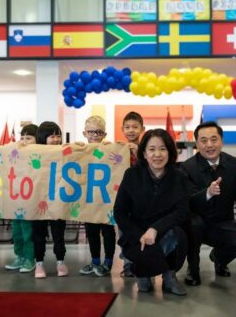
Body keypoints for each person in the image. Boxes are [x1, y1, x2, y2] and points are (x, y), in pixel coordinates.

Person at [114, 129, 189, 295]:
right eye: (152, 149)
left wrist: (155, 229)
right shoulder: (131, 174)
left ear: (170, 152)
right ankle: (144, 271)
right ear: (144, 153)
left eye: (162, 149)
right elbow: (119, 212)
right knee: (144, 280)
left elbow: (182, 211)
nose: (157, 154)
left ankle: (169, 276)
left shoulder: (179, 176)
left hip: (164, 232)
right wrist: (139, 234)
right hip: (137, 234)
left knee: (179, 234)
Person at [181, 121, 236, 287]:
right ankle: (193, 269)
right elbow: (187, 200)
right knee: (193, 226)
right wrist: (207, 193)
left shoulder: (235, 166)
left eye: (214, 139)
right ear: (196, 143)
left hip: (223, 221)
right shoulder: (187, 167)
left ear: (222, 141)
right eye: (203, 141)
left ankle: (219, 259)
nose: (209, 145)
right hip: (196, 221)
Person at [80, 116, 116, 277]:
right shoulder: (80, 150)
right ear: (84, 133)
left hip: (106, 199)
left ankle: (108, 262)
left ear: (104, 134)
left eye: (98, 132)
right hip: (88, 199)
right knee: (91, 231)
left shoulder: (110, 149)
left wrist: (116, 148)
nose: (94, 135)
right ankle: (95, 261)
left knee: (108, 231)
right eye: (91, 132)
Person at [33, 121, 68, 278]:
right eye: (52, 136)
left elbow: (81, 153)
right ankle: (39, 263)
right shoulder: (32, 151)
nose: (56, 139)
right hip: (37, 200)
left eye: (58, 136)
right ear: (42, 137)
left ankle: (60, 261)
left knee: (58, 233)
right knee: (38, 234)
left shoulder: (64, 151)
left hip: (57, 200)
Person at [4, 124, 38, 273]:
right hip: (16, 200)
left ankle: (30, 258)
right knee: (16, 232)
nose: (24, 141)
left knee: (28, 232)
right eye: (22, 137)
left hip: (30, 201)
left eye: (29, 138)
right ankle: (20, 256)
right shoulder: (15, 152)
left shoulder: (40, 154)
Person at [119, 111, 145, 278]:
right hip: (124, 198)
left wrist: (138, 152)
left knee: (141, 230)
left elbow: (150, 168)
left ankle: (142, 262)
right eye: (127, 127)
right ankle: (128, 263)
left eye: (135, 127)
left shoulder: (147, 148)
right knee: (124, 232)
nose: (131, 130)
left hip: (142, 198)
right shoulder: (118, 149)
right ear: (122, 129)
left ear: (142, 129)